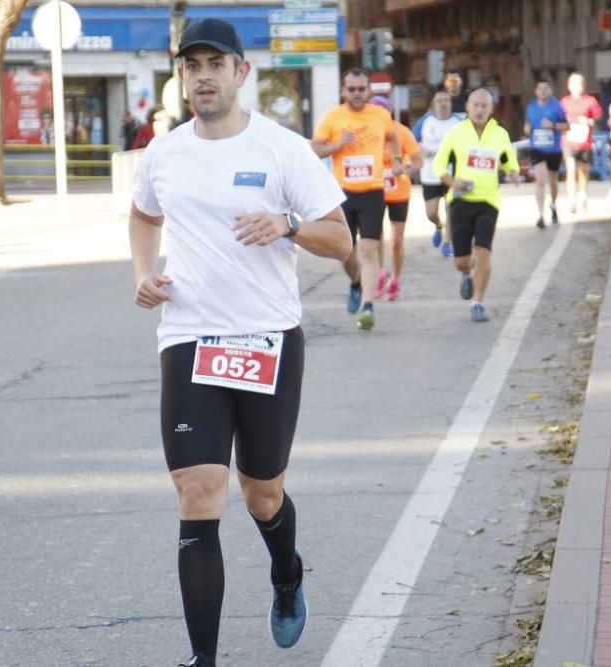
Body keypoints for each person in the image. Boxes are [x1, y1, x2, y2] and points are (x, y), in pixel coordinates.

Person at [128, 18, 351, 667]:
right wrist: (143, 273)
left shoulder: (283, 150)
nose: (202, 75)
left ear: (239, 72)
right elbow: (143, 215)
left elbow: (341, 240)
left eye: (214, 64)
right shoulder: (163, 153)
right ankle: (204, 659)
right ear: (182, 75)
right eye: (191, 65)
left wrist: (286, 225)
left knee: (262, 494)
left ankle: (286, 571)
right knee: (199, 491)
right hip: (190, 338)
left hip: (268, 341)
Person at [311, 67, 403, 331]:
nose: (357, 94)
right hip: (343, 194)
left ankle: (369, 306)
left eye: (361, 89)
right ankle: (355, 283)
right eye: (351, 89)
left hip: (373, 191)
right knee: (345, 251)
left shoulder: (381, 115)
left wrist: (396, 160)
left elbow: (393, 137)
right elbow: (315, 149)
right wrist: (338, 145)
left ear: (369, 91)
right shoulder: (333, 118)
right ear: (343, 91)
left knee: (368, 250)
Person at [432, 89, 520, 323]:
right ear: (468, 108)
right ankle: (466, 273)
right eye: (476, 105)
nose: (480, 110)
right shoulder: (455, 133)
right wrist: (453, 182)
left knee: (483, 252)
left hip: (488, 201)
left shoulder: (499, 134)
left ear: (491, 109)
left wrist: (512, 172)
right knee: (461, 260)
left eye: (484, 106)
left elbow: (508, 160)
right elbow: (438, 166)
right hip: (460, 201)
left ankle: (478, 302)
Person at [370, 95, 422, 301]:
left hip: (399, 192)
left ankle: (396, 279)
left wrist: (405, 168)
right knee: (375, 238)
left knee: (396, 241)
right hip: (374, 189)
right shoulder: (367, 132)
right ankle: (381, 273)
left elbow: (418, 161)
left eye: (383, 112)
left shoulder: (401, 132)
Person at [419, 91, 462, 257]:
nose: (443, 104)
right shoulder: (426, 121)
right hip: (429, 174)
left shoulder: (457, 122)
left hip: (451, 173)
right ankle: (438, 226)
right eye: (439, 101)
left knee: (450, 208)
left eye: (446, 100)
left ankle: (447, 242)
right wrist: (422, 150)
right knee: (431, 213)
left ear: (450, 104)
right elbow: (413, 141)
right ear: (433, 104)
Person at [524, 78, 568, 228]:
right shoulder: (531, 107)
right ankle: (541, 215)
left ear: (550, 90)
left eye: (545, 88)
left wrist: (553, 125)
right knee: (540, 181)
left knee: (553, 181)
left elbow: (567, 125)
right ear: (536, 91)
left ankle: (553, 205)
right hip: (536, 148)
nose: (543, 91)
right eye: (540, 89)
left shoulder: (557, 106)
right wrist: (527, 128)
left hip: (553, 149)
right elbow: (527, 124)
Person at [560, 72, 603, 214]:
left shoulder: (590, 101)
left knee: (583, 172)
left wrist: (589, 121)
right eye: (574, 84)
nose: (577, 87)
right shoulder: (564, 102)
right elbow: (558, 120)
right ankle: (571, 200)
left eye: (579, 84)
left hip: (585, 142)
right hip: (569, 141)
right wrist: (567, 124)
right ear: (569, 86)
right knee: (570, 171)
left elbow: (599, 117)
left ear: (583, 86)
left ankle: (583, 196)